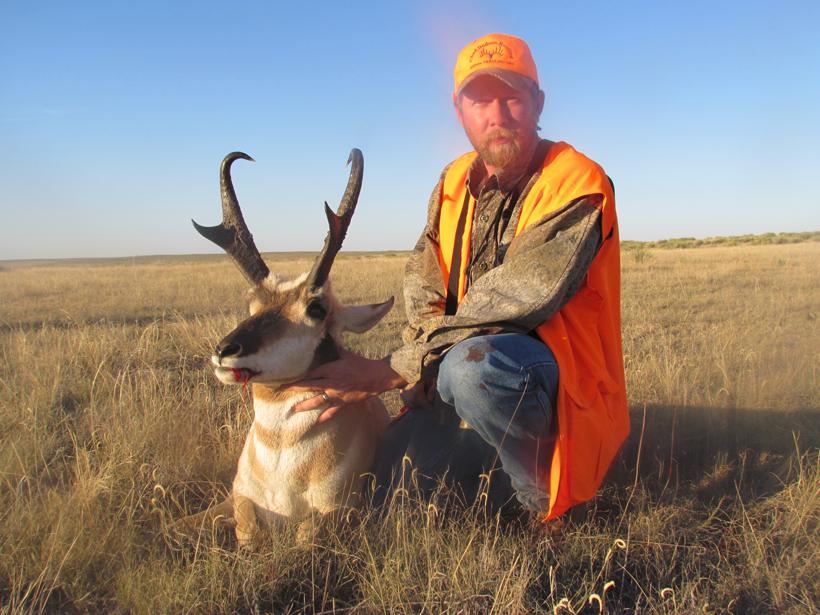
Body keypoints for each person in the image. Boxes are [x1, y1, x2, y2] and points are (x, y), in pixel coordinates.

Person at [286, 33, 629, 522]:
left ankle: (546, 503)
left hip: (563, 384)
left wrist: (397, 367)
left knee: (472, 369)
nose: (497, 114)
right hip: (458, 369)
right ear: (459, 109)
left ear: (538, 103)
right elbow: (425, 283)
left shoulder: (576, 183)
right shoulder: (453, 182)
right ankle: (487, 459)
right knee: (389, 485)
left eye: (512, 96)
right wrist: (421, 371)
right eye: (480, 99)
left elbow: (515, 298)